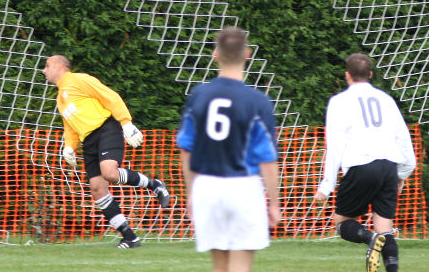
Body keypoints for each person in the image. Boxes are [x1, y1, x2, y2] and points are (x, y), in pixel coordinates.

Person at [176, 27, 281, 272]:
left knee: (219, 267)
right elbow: (267, 160)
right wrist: (274, 203)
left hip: (207, 186)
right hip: (242, 186)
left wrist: (191, 193)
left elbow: (186, 150)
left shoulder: (199, 95)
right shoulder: (258, 101)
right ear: (247, 54)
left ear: (215, 54)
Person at [43, 54, 170, 249]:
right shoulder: (60, 98)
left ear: (60, 66)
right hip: (88, 142)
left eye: (47, 65)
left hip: (105, 129)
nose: (44, 70)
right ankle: (129, 237)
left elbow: (111, 97)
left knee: (109, 173)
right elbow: (70, 126)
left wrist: (126, 123)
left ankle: (154, 185)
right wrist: (69, 146)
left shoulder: (79, 79)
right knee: (97, 189)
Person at [314, 52, 416, 272]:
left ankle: (370, 238)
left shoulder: (339, 102)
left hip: (361, 165)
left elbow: (335, 145)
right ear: (370, 74)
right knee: (385, 229)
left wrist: (326, 185)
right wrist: (403, 173)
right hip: (389, 166)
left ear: (347, 75)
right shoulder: (386, 99)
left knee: (341, 223)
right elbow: (403, 137)